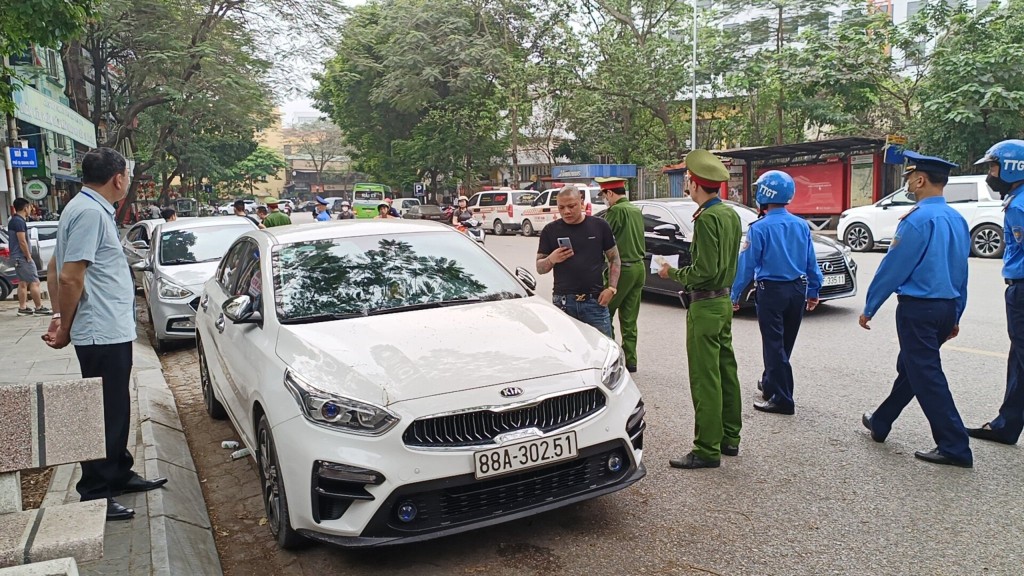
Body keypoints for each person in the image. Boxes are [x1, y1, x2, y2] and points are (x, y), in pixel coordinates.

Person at [42, 147, 167, 521]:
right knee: (103, 412)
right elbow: (68, 275)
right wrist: (64, 325)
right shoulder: (89, 213)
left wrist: (58, 314)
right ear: (118, 178)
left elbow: (55, 267)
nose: (127, 182)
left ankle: (118, 472)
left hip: (108, 329)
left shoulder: (87, 209)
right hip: (99, 331)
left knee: (116, 406)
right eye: (127, 176)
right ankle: (95, 492)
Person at [859, 151, 972, 468]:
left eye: (909, 177)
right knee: (912, 368)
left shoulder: (917, 219)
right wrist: (957, 314)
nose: (908, 181)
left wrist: (871, 306)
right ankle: (881, 420)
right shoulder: (957, 219)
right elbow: (962, 272)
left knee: (926, 374)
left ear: (920, 180)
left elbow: (893, 267)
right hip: (945, 307)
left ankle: (954, 445)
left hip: (918, 310)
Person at [658, 149, 741, 470]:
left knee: (705, 378)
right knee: (726, 371)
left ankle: (707, 448)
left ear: (694, 184)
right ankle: (730, 437)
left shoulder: (707, 219)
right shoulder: (730, 214)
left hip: (705, 304)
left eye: (688, 181)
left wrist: (673, 274)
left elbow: (704, 270)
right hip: (722, 302)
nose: (687, 185)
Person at [731, 170, 823, 416]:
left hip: (771, 292)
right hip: (797, 290)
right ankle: (771, 382)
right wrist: (814, 289)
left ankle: (783, 399)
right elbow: (810, 262)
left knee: (773, 346)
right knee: (785, 343)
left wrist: (734, 295)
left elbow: (747, 265)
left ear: (764, 194)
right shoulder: (801, 225)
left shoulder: (758, 228)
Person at [967, 139, 1024, 446]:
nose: (990, 174)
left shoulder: (1019, 205)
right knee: (1018, 361)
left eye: (993, 166)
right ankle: (1006, 425)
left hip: (1022, 291)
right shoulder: (1017, 198)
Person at [536, 185, 620, 337]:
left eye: (571, 206)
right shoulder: (550, 230)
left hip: (595, 302)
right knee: (568, 351)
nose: (566, 211)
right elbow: (540, 268)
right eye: (561, 207)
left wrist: (612, 289)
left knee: (604, 348)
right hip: (563, 303)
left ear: (581, 202)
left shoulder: (600, 226)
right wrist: (552, 259)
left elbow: (614, 258)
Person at [595, 177, 644, 373]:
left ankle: (613, 360)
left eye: (604, 195)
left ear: (610, 193)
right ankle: (631, 360)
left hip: (621, 270)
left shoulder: (616, 211)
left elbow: (603, 238)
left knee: (605, 314)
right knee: (630, 319)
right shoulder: (634, 209)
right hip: (639, 268)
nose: (605, 200)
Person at [8, 198, 51, 316]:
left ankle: (23, 308)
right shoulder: (19, 221)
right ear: (25, 208)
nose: (30, 210)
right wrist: (28, 256)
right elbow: (22, 241)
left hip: (16, 257)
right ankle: (39, 307)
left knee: (23, 282)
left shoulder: (13, 220)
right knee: (35, 282)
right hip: (22, 257)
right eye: (30, 207)